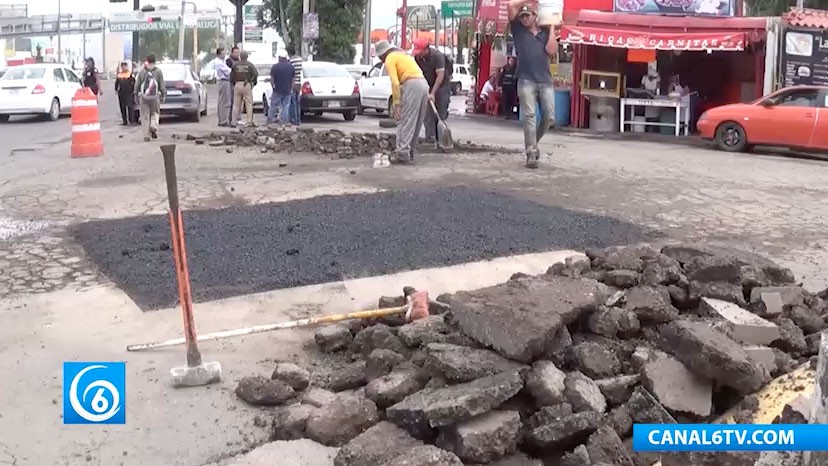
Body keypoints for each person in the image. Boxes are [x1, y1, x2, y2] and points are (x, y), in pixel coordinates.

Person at [508, 0, 557, 168]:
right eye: (522, 16)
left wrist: (552, 28)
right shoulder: (518, 30)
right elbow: (510, 5)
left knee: (549, 117)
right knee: (529, 116)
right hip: (525, 79)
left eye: (528, 16)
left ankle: (533, 144)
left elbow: (551, 51)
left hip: (545, 80)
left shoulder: (544, 33)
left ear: (535, 17)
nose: (525, 19)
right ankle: (531, 153)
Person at [374, 40, 429, 164]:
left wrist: (397, 104)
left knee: (405, 120)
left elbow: (395, 82)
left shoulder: (390, 58)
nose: (381, 60)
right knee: (416, 121)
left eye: (379, 56)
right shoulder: (402, 55)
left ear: (383, 54)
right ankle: (410, 151)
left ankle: (402, 153)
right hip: (423, 83)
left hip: (412, 84)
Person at [411, 38, 452, 146]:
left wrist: (433, 93)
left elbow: (440, 76)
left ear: (426, 49)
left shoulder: (437, 56)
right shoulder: (417, 58)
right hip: (427, 85)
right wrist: (426, 90)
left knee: (440, 112)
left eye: (420, 51)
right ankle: (430, 138)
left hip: (442, 86)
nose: (418, 54)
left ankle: (441, 140)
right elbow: (418, 74)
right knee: (428, 113)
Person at [134, 53, 166, 142]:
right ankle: (153, 126)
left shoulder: (142, 71)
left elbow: (137, 84)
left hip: (144, 97)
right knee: (155, 112)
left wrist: (136, 94)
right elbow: (162, 85)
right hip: (155, 97)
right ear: (155, 61)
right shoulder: (158, 71)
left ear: (147, 61)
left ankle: (146, 136)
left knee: (144, 116)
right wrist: (163, 94)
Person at [230, 50, 258, 127]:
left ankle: (234, 121)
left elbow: (231, 76)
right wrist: (253, 82)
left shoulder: (235, 65)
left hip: (237, 84)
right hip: (246, 84)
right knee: (248, 104)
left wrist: (233, 83)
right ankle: (249, 121)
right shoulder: (250, 65)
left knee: (236, 104)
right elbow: (255, 74)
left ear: (240, 56)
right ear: (247, 57)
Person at [267, 51, 296, 125]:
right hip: (287, 90)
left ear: (279, 57)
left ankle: (270, 119)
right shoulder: (291, 67)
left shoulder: (275, 67)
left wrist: (273, 86)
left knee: (273, 105)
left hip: (277, 89)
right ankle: (284, 120)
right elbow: (293, 79)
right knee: (285, 106)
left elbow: (272, 78)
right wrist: (291, 88)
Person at [212, 48, 233, 126]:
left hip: (224, 81)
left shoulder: (222, 62)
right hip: (223, 81)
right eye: (222, 54)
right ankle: (223, 121)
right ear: (218, 54)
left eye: (224, 54)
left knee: (222, 101)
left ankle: (222, 120)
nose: (224, 55)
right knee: (225, 102)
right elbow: (228, 72)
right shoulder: (219, 63)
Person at [114, 61, 136, 126]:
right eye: (122, 66)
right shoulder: (120, 74)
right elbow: (117, 83)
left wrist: (134, 90)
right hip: (121, 93)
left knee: (130, 107)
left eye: (124, 66)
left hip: (129, 93)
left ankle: (131, 120)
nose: (123, 67)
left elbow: (134, 82)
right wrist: (116, 89)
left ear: (126, 67)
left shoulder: (130, 74)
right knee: (122, 107)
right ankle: (124, 121)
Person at [288, 45, 303, 125]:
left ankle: (293, 120)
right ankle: (298, 120)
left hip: (293, 83)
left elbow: (290, 73)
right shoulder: (300, 60)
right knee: (297, 102)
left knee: (292, 102)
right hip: (299, 83)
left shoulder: (291, 61)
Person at [226, 46, 240, 124]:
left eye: (238, 52)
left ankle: (237, 118)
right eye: (235, 52)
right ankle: (231, 119)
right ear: (232, 53)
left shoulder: (239, 60)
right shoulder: (228, 61)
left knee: (238, 102)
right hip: (232, 83)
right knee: (232, 102)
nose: (237, 54)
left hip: (238, 83)